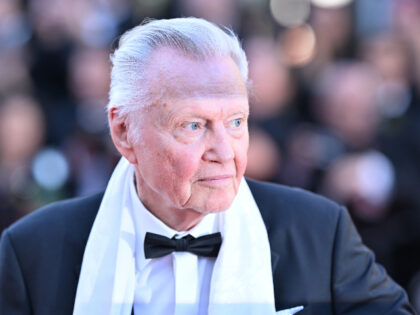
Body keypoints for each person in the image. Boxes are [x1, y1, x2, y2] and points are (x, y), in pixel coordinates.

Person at [0, 17, 415, 315]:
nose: (224, 149)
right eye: (193, 125)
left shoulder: (321, 234)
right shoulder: (32, 252)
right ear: (124, 132)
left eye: (236, 122)